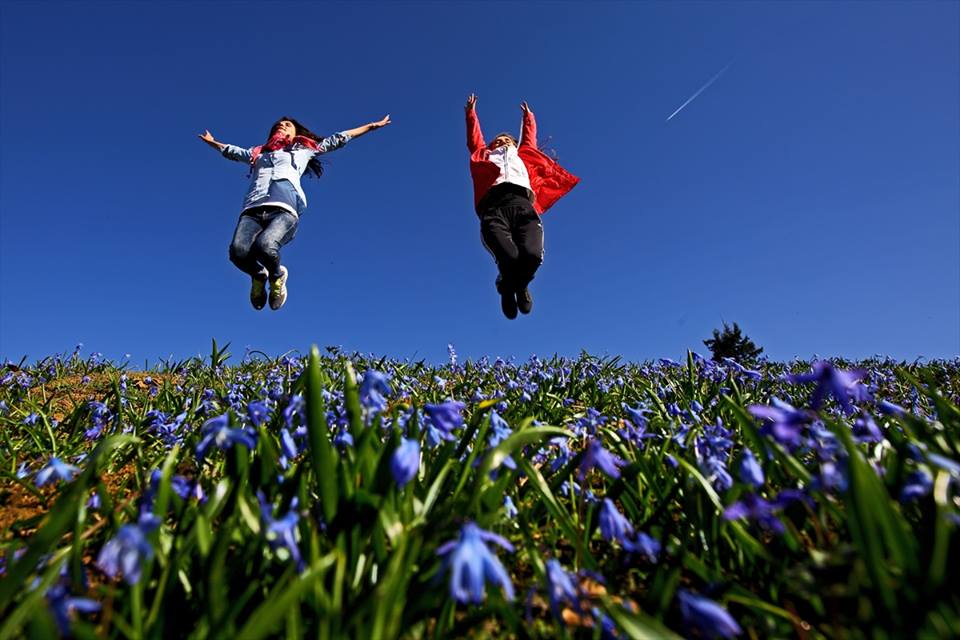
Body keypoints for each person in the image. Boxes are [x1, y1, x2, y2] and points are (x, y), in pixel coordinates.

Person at [199, 114, 390, 310]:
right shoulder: (257, 154)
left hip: (284, 208)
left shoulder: (304, 149)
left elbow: (338, 139)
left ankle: (277, 277)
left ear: (295, 132)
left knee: (265, 246)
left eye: (287, 125)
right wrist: (212, 142)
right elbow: (232, 151)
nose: (281, 126)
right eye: (278, 125)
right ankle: (258, 275)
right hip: (252, 209)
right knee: (238, 252)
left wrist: (370, 126)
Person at [464, 94, 579, 319]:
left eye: (506, 140)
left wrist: (529, 117)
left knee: (532, 255)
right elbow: (474, 139)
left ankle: (514, 285)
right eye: (497, 141)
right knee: (509, 255)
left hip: (522, 204)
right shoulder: (484, 155)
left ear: (513, 143)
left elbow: (528, 138)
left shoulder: (522, 155)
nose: (501, 142)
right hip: (494, 207)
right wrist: (471, 114)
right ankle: (510, 286)